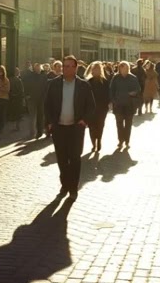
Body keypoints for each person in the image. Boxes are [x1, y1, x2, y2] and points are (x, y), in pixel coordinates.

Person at [44, 55, 95, 199]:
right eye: (63, 66)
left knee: (75, 158)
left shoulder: (83, 85)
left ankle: (73, 188)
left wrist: (84, 121)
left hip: (76, 128)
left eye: (68, 66)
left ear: (75, 68)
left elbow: (91, 106)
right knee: (61, 158)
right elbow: (47, 104)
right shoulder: (54, 84)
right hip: (59, 127)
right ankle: (64, 184)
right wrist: (49, 122)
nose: (64, 69)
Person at [108, 60, 140, 150]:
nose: (124, 71)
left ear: (128, 69)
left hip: (129, 105)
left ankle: (127, 140)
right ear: (119, 69)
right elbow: (111, 90)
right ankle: (120, 140)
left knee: (128, 124)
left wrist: (133, 93)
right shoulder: (116, 78)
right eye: (122, 69)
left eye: (125, 69)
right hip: (118, 105)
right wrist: (113, 101)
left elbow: (138, 89)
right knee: (119, 124)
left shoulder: (133, 78)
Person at [85, 61, 111, 153]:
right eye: (94, 69)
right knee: (91, 126)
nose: (96, 71)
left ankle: (99, 140)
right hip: (91, 109)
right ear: (92, 70)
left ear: (100, 70)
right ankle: (93, 143)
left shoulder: (105, 82)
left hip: (102, 108)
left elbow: (108, 95)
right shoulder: (88, 82)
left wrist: (108, 104)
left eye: (98, 69)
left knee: (100, 125)